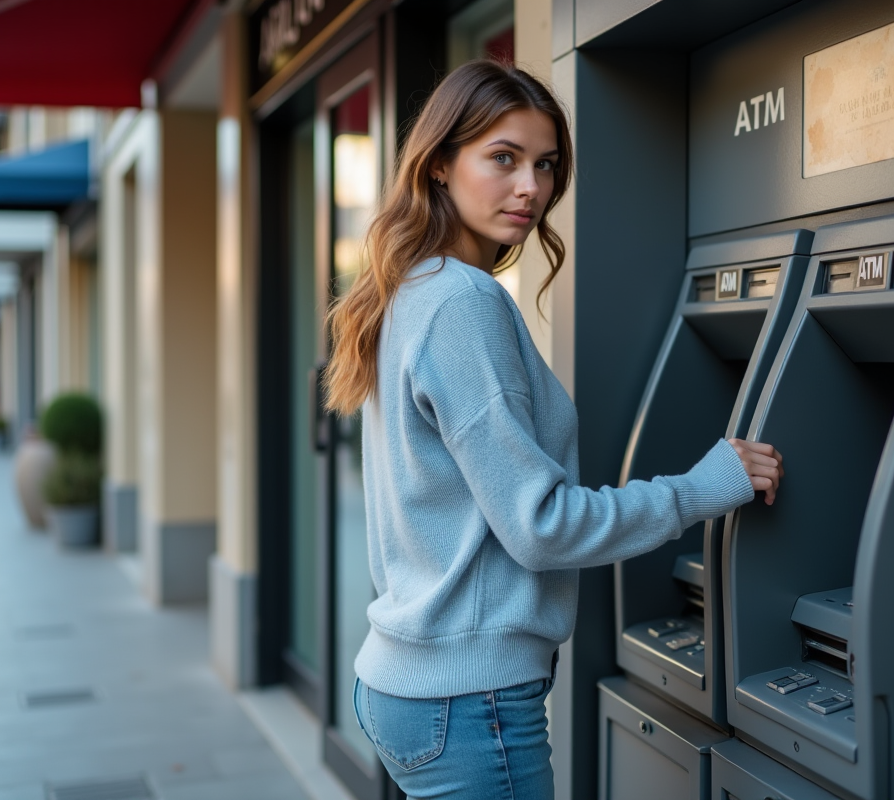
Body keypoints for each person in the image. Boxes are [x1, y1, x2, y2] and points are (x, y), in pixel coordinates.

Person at [324, 61, 784, 799]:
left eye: (545, 164)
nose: (530, 188)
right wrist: (702, 488)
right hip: (468, 703)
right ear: (440, 164)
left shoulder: (411, 289)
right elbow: (541, 526)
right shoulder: (463, 304)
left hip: (406, 684)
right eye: (502, 158)